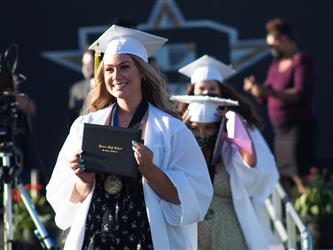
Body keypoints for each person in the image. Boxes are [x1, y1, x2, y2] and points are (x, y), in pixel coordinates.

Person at [46, 25, 213, 250]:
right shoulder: (85, 126)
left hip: (147, 238)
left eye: (125, 67)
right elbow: (63, 198)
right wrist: (83, 181)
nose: (116, 76)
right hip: (97, 237)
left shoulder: (171, 129)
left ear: (142, 72)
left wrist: (150, 171)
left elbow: (194, 199)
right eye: (109, 69)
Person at [177, 55, 279, 249]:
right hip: (191, 234)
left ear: (221, 91)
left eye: (212, 89)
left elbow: (257, 174)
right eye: (201, 89)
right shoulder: (179, 131)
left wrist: (237, 138)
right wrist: (181, 132)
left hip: (230, 232)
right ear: (193, 91)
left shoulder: (235, 131)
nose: (207, 94)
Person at [243, 18, 316, 192]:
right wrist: (255, 90)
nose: (272, 50)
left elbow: (299, 94)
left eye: (273, 45)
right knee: (283, 176)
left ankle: (308, 215)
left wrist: (270, 93)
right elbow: (266, 94)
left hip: (299, 129)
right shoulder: (275, 65)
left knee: (299, 176)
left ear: (284, 39)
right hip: (280, 132)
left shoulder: (302, 60)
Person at [68, 50, 94, 125]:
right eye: (84, 64)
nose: (86, 67)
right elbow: (71, 117)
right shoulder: (76, 89)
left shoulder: (107, 86)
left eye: (90, 63)